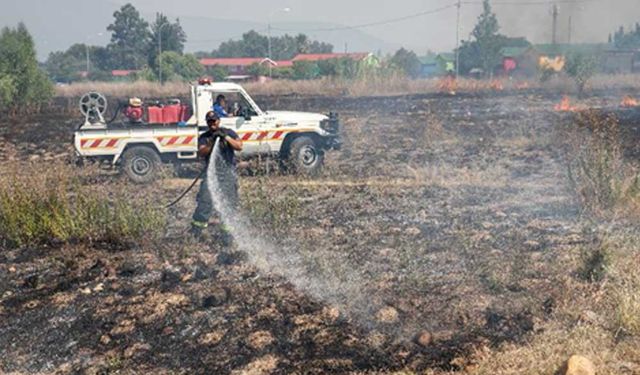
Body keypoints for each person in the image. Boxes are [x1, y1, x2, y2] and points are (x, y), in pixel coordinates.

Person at [190, 111, 243, 243]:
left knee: (229, 203)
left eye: (214, 120)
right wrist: (212, 143)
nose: (212, 123)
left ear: (219, 121)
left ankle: (227, 235)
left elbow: (239, 146)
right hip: (211, 174)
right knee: (205, 202)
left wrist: (226, 138)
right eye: (209, 121)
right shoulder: (204, 137)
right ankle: (196, 233)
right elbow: (201, 152)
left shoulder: (229, 132)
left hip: (228, 174)